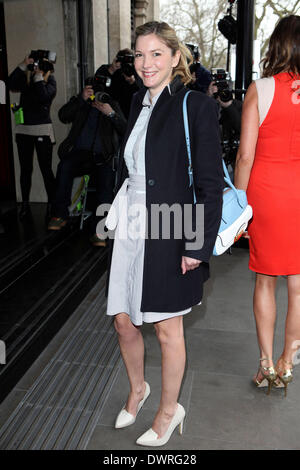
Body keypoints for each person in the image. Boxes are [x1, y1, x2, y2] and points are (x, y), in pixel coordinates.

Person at [105, 21, 223, 446]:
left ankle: (170, 411)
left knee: (167, 329)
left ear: (176, 57)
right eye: (139, 54)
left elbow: (209, 185)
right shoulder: (137, 101)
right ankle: (138, 388)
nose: (145, 63)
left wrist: (196, 244)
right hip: (132, 223)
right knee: (122, 320)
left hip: (173, 227)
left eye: (156, 53)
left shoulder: (195, 106)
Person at [234, 15, 300, 396]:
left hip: (268, 193)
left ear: (277, 45)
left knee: (265, 279)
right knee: (298, 282)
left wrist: (240, 206)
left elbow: (245, 156)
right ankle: (287, 363)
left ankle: (265, 363)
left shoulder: (261, 89)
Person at [48, 77, 127, 245]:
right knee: (64, 167)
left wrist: (110, 113)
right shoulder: (82, 102)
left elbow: (125, 129)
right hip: (80, 153)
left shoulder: (111, 102)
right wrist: (81, 98)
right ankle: (60, 215)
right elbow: (63, 115)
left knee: (106, 183)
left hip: (103, 155)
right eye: (94, 88)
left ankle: (100, 231)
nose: (96, 94)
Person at [7, 55, 56, 221]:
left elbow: (44, 97)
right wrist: (22, 65)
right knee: (25, 170)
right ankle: (25, 204)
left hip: (42, 130)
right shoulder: (26, 79)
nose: (37, 68)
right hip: (24, 131)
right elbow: (11, 84)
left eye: (41, 66)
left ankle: (51, 204)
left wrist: (38, 78)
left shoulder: (50, 81)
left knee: (46, 169)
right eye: (36, 65)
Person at [96, 49, 140, 118]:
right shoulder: (107, 69)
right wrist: (111, 70)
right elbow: (98, 89)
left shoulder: (135, 72)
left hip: (128, 115)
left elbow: (141, 96)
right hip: (108, 113)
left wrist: (132, 82)